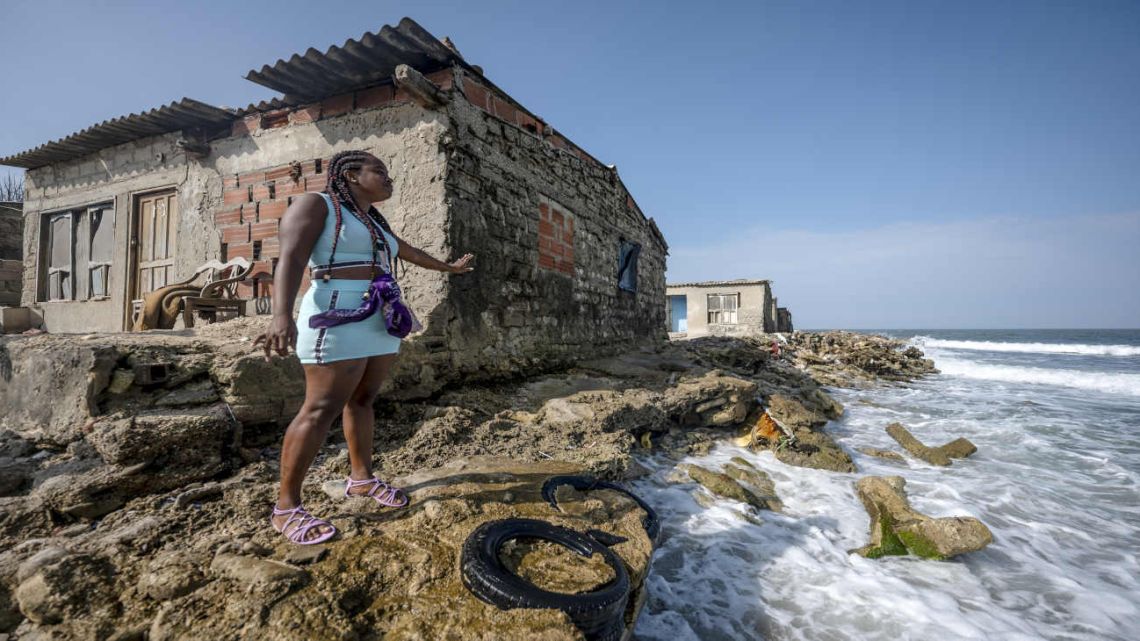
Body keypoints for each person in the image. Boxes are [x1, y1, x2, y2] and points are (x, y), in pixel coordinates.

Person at [255, 149, 474, 545]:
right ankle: (285, 507)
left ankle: (361, 479)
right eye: (380, 171)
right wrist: (280, 316)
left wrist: (449, 268)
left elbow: (409, 253)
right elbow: (289, 258)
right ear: (352, 175)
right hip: (335, 314)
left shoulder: (371, 222)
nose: (389, 179)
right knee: (320, 407)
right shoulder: (316, 205)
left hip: (380, 315)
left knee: (363, 399)